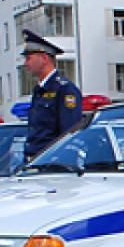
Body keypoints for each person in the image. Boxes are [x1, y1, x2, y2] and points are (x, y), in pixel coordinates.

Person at [20, 30, 82, 161]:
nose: (25, 64)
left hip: (52, 164)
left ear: (44, 58)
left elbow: (69, 134)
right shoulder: (39, 91)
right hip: (34, 162)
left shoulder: (65, 90)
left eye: (29, 58)